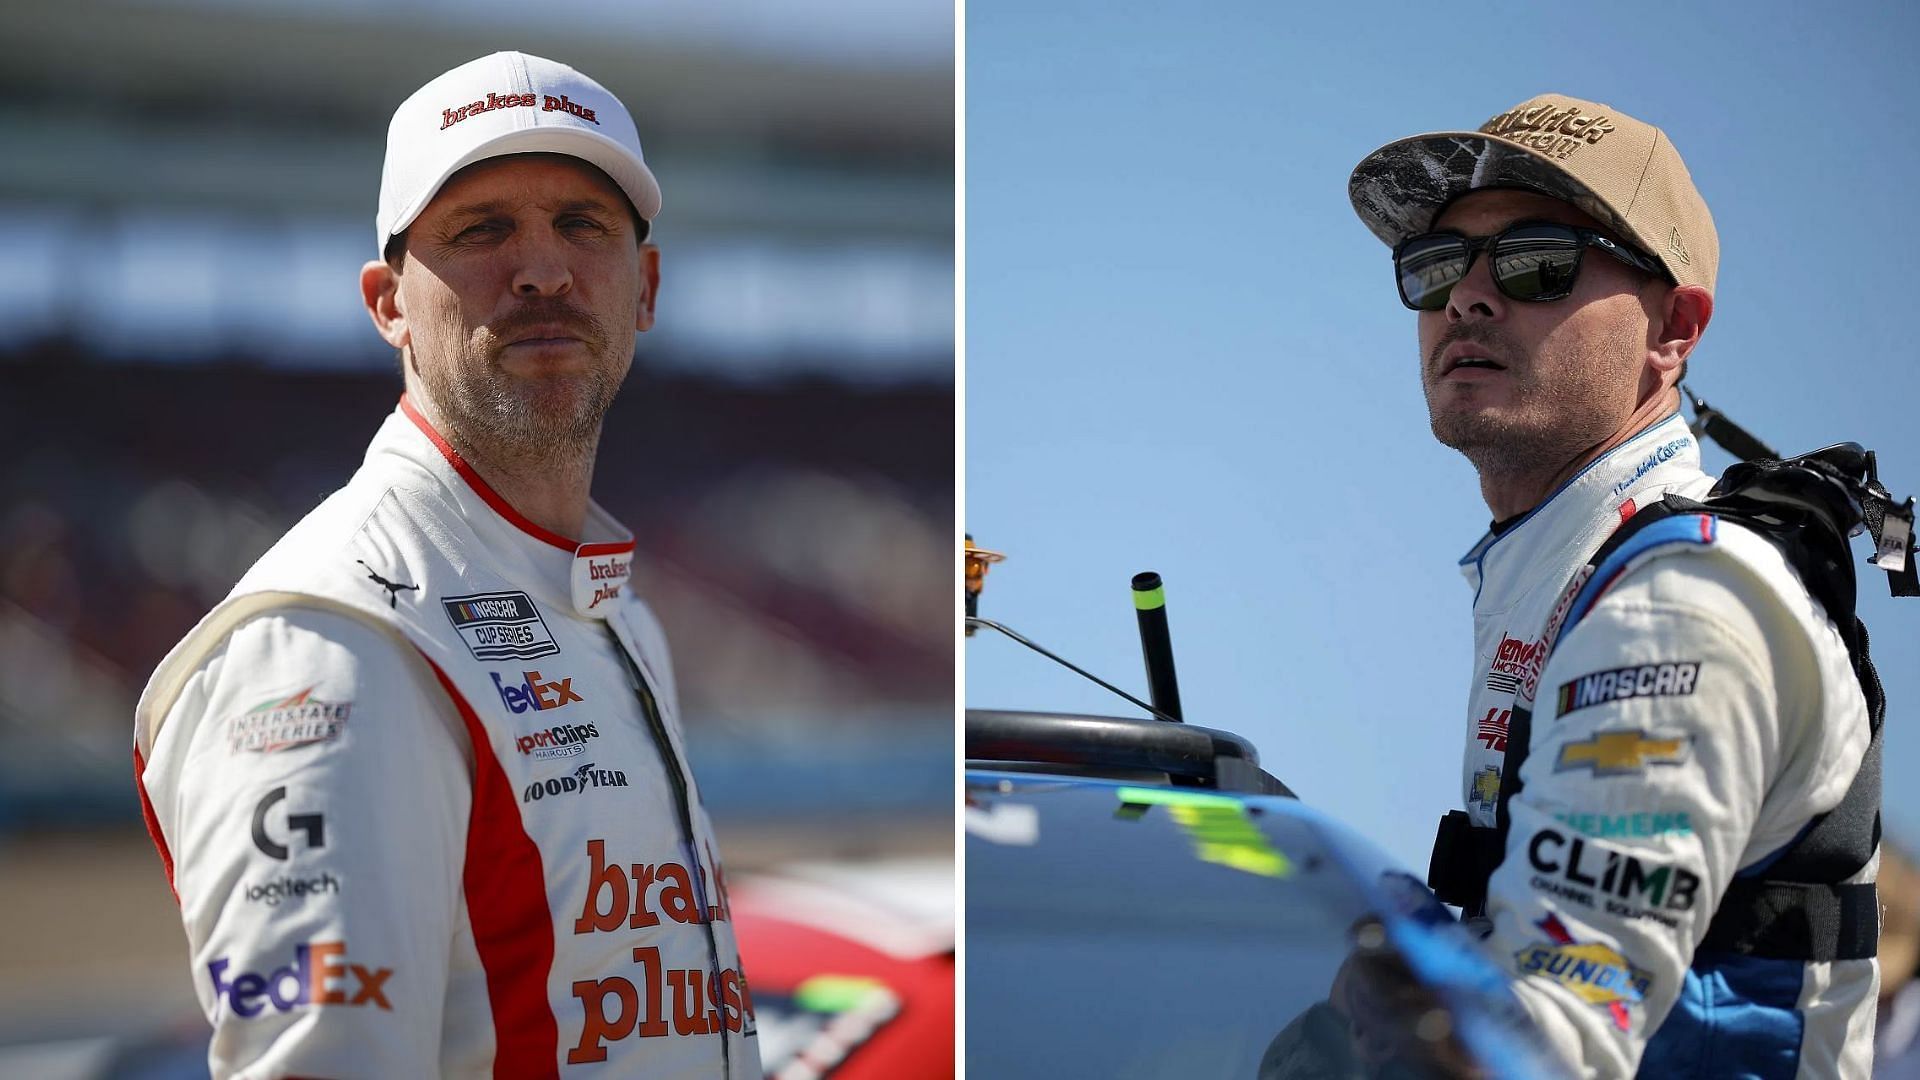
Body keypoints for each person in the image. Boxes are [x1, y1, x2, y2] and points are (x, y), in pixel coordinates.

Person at [132, 52, 760, 1077]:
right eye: (481, 230)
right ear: (388, 303)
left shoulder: (615, 609)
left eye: (582, 225)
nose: (544, 269)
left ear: (643, 287)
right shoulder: (330, 637)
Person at [1348, 93, 1881, 1075]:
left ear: (1672, 330)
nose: (1467, 297)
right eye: (1436, 268)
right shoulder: (1563, 563)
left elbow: (1553, 1040)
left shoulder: (1677, 605)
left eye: (1534, 260)